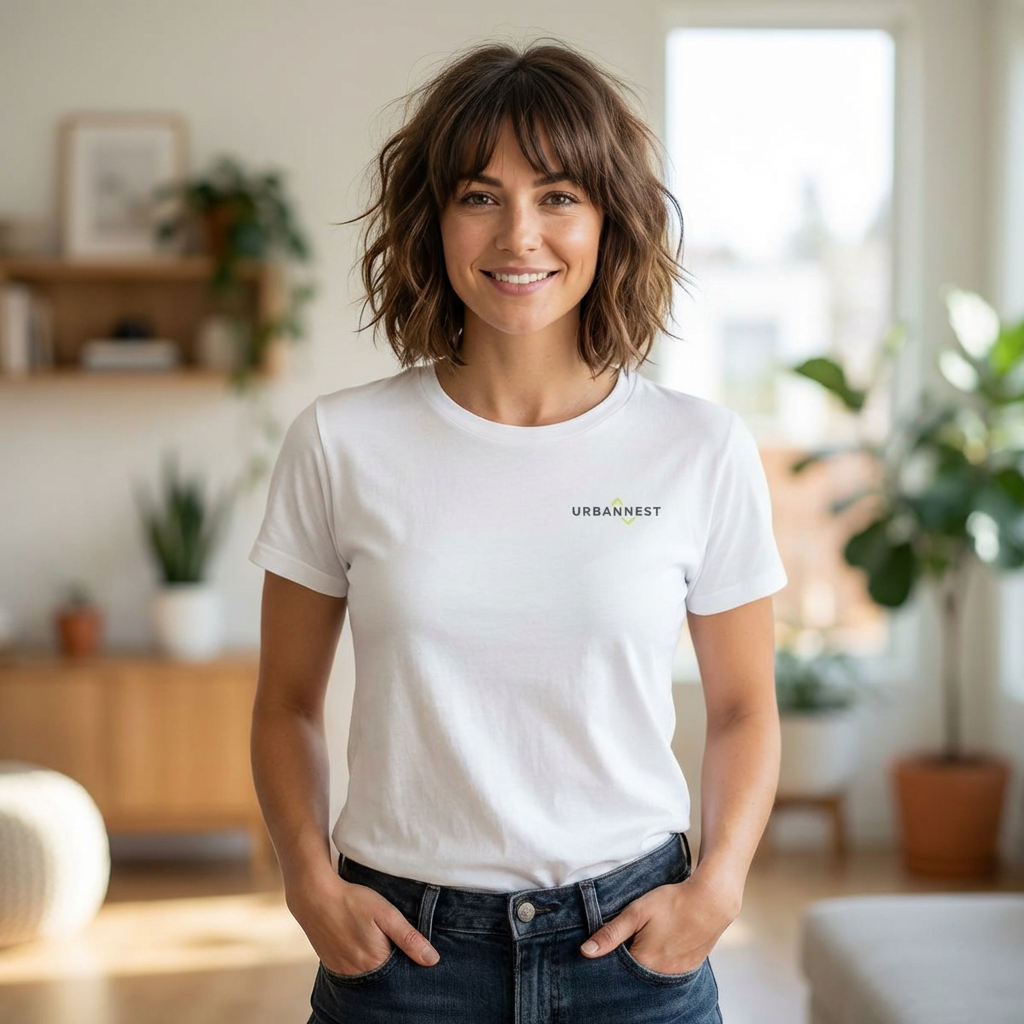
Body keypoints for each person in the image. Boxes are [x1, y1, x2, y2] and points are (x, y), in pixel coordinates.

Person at [249, 38, 788, 1024]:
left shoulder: (697, 447)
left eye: (557, 196)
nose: (519, 235)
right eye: (479, 195)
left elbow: (746, 707)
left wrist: (717, 888)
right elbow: (285, 701)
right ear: (435, 219)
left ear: (609, 220)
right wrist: (306, 878)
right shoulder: (341, 442)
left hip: (633, 952)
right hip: (401, 956)